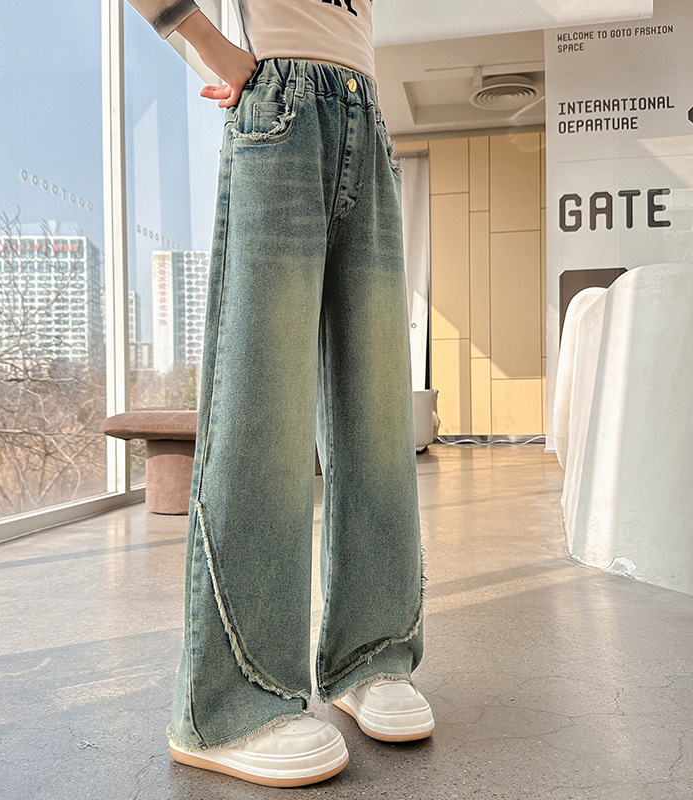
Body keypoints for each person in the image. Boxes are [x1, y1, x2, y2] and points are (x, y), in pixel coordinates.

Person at [126, 0, 434, 787]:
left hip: (366, 115)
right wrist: (209, 45)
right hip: (282, 108)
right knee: (263, 413)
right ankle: (232, 704)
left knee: (377, 417)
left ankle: (371, 656)